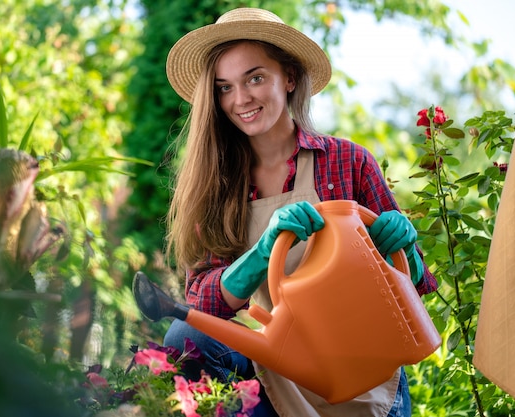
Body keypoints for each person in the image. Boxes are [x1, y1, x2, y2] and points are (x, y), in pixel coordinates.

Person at [162, 7, 438, 417]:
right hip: (282, 370)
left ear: (289, 77)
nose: (241, 99)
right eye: (224, 87)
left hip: (366, 373)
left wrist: (405, 250)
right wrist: (263, 249)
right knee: (185, 337)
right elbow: (202, 303)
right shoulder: (216, 186)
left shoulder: (347, 161)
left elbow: (414, 288)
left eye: (255, 78)